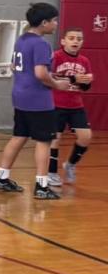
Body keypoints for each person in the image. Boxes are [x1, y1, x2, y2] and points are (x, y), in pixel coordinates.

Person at [0, 3, 72, 200]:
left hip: (20, 96)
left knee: (19, 136)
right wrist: (57, 84)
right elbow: (40, 73)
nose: (56, 24)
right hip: (38, 100)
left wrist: (46, 77)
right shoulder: (41, 44)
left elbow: (14, 66)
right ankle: (42, 185)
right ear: (44, 22)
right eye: (54, 20)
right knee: (44, 141)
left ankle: (1, 177)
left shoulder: (21, 40)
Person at [49, 26, 94, 186]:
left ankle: (70, 164)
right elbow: (50, 78)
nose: (75, 41)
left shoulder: (84, 61)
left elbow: (85, 87)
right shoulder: (56, 57)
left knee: (85, 137)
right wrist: (73, 78)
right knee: (55, 139)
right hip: (56, 104)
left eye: (79, 39)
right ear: (63, 41)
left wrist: (86, 82)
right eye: (72, 38)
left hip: (76, 105)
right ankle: (51, 173)